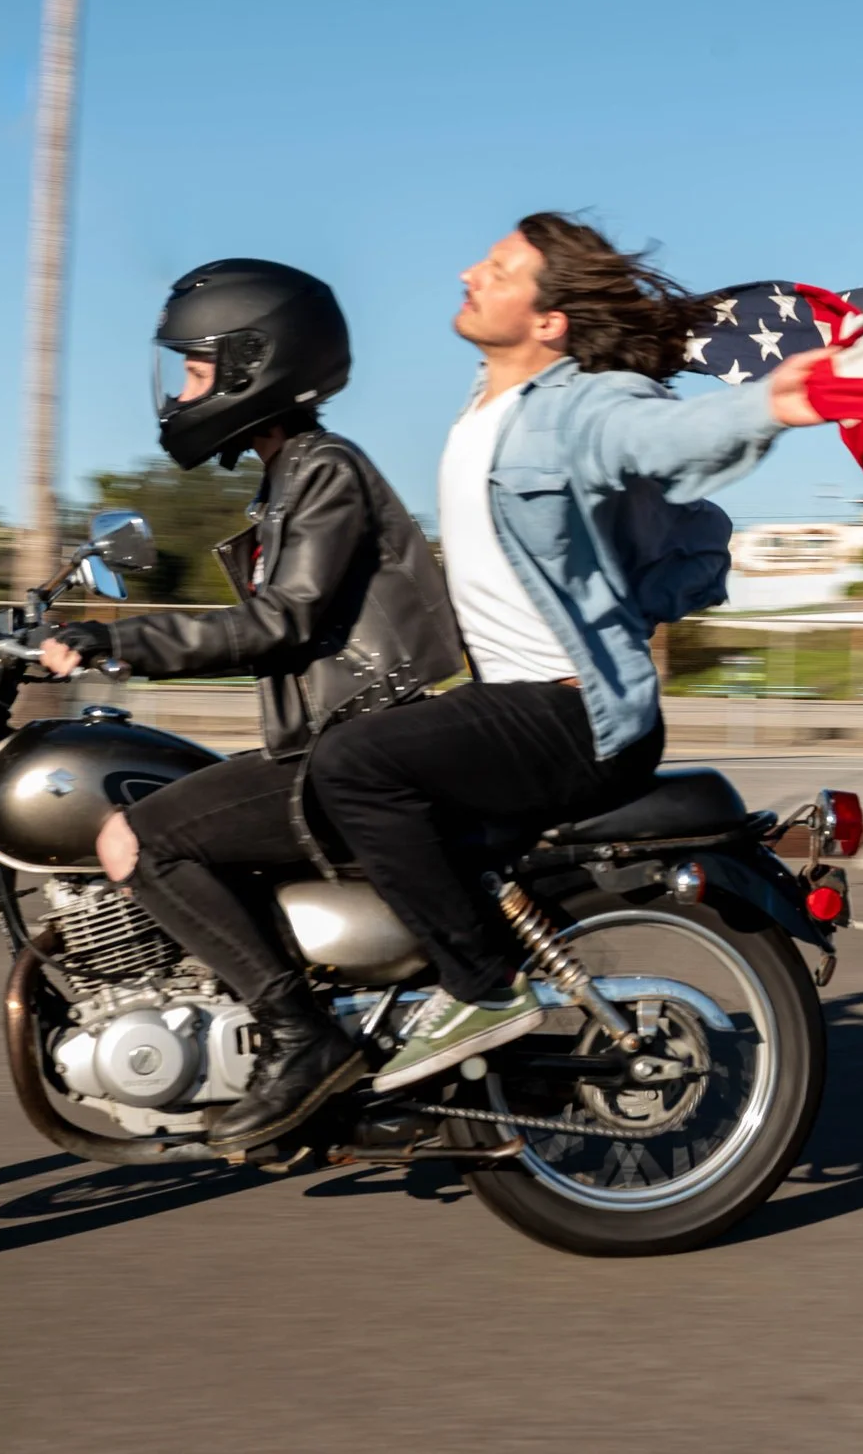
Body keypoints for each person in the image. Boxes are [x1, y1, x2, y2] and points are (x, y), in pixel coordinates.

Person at [297, 212, 827, 1105]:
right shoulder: (486, 406)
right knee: (362, 769)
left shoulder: (577, 405)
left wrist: (767, 405)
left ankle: (480, 990)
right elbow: (690, 545)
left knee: (353, 766)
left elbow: (662, 444)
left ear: (549, 322)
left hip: (574, 714)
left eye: (500, 268)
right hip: (519, 703)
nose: (471, 269)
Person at [40, 257, 460, 1152]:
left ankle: (302, 1036)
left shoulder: (323, 469)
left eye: (196, 369)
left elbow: (287, 619)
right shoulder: (286, 476)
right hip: (337, 743)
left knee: (140, 836)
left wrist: (124, 641)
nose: (182, 391)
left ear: (252, 365)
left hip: (362, 748)